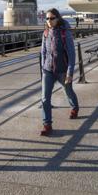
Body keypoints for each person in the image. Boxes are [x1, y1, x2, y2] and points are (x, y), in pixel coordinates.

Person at [39, 8, 79, 136]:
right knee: (45, 98)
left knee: (68, 91)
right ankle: (47, 124)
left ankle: (74, 107)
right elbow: (43, 52)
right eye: (47, 18)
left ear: (58, 18)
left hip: (62, 70)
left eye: (52, 18)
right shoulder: (45, 33)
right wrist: (43, 67)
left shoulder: (64, 33)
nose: (49, 21)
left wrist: (70, 73)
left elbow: (71, 53)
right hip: (48, 70)